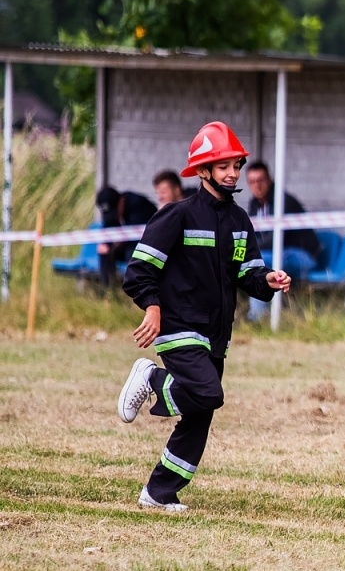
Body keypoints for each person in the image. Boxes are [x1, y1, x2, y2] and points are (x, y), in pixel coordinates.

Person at [115, 122, 291, 511]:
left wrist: (268, 279)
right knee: (209, 394)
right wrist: (153, 307)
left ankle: (159, 492)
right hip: (179, 327)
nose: (232, 173)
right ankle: (152, 378)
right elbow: (138, 272)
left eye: (236, 165)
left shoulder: (240, 221)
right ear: (202, 170)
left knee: (200, 413)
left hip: (217, 333)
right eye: (223, 165)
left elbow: (248, 273)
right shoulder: (175, 216)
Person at [244, 161, 320, 319]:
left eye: (260, 180)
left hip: (303, 256)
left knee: (259, 262)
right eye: (252, 182)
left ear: (269, 180)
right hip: (275, 255)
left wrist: (250, 250)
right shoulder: (254, 205)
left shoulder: (283, 201)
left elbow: (276, 239)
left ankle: (257, 317)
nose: (257, 186)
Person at [94, 185, 158, 286]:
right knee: (104, 250)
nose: (114, 216)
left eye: (114, 211)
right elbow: (108, 232)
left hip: (151, 247)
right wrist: (108, 245)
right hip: (128, 246)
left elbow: (141, 238)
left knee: (131, 251)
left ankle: (137, 288)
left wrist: (119, 243)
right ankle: (107, 288)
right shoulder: (112, 214)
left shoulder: (138, 205)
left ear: (121, 201)